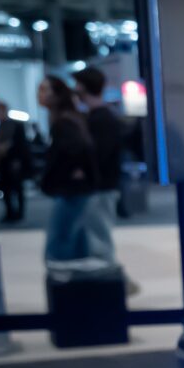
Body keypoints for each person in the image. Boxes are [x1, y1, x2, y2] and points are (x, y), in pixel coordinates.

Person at [39, 76, 102, 262]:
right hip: (74, 189)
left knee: (59, 245)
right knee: (76, 241)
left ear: (57, 95)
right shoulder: (68, 118)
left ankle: (64, 278)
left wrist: (73, 171)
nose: (40, 95)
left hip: (70, 190)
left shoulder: (64, 122)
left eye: (44, 89)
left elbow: (79, 148)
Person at [75, 68, 124, 257]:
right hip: (99, 185)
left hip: (101, 186)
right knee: (95, 234)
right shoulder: (98, 116)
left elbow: (99, 154)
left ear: (84, 87)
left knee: (99, 237)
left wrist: (83, 171)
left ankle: (106, 270)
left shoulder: (102, 118)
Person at [0, 99, 35, 223]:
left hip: (14, 161)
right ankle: (10, 212)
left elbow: (20, 146)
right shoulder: (2, 125)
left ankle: (18, 213)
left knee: (17, 188)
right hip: (5, 162)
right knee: (7, 189)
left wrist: (18, 161)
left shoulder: (14, 125)